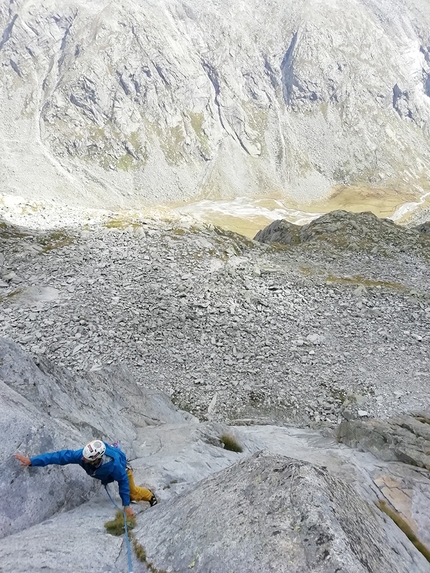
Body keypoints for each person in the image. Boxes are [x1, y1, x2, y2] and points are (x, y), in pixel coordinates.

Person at [14, 439, 157, 517]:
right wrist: (32, 461)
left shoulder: (114, 466)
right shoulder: (82, 455)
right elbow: (58, 457)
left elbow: (123, 482)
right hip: (108, 471)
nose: (81, 458)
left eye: (86, 458)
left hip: (124, 470)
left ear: (96, 459)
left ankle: (151, 496)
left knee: (132, 492)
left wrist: (126, 506)